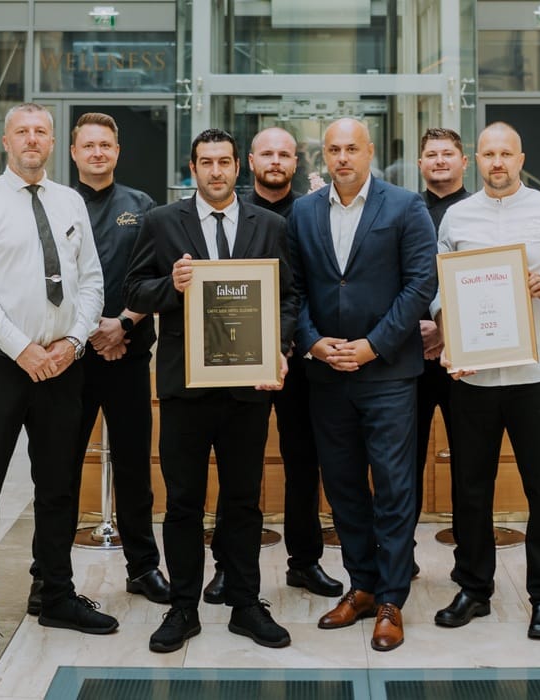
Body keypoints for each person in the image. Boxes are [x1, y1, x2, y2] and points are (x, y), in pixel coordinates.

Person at [0, 102, 117, 657]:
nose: (31, 140)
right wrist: (24, 350)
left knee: (59, 487)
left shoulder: (68, 201)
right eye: (22, 132)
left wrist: (71, 343)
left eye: (40, 132)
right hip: (2, 366)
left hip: (62, 366)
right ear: (6, 142)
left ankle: (56, 595)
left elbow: (90, 281)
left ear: (52, 143)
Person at [431, 122, 540, 640]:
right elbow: (441, 291)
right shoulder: (458, 217)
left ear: (521, 157)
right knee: (470, 490)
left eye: (506, 153)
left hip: (535, 377)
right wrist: (450, 336)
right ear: (475, 160)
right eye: (488, 154)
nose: (497, 162)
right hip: (473, 381)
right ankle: (473, 589)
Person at [124, 128, 298, 653]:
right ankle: (182, 607)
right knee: (182, 503)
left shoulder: (268, 224)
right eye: (206, 162)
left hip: (248, 384)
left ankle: (246, 604)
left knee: (244, 501)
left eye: (225, 162)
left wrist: (281, 348)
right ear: (193, 168)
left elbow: (289, 298)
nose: (217, 171)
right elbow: (133, 290)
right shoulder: (160, 222)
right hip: (185, 388)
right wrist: (169, 287)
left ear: (237, 168)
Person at [287, 117, 437, 651]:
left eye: (352, 147)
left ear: (370, 151)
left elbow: (421, 283)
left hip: (388, 372)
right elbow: (294, 288)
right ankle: (362, 585)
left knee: (394, 488)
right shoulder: (304, 211)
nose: (343, 157)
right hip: (327, 373)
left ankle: (393, 597)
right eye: (333, 149)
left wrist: (375, 344)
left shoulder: (404, 206)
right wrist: (312, 342)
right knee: (344, 485)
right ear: (322, 156)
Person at [26, 112, 169, 617]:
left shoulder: (141, 207)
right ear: (72, 151)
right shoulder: (53, 203)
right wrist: (89, 334)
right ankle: (48, 577)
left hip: (128, 353)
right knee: (58, 469)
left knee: (134, 466)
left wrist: (122, 326)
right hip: (68, 359)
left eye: (106, 145)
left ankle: (143, 567)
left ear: (117, 150)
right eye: (88, 145)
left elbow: (157, 277)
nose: (97, 153)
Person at [203, 126, 342, 605]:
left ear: (296, 160)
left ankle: (304, 562)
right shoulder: (231, 211)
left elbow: (308, 287)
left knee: (304, 463)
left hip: (299, 358)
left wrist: (288, 344)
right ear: (249, 161)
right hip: (240, 359)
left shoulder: (313, 210)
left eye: (285, 154)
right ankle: (228, 567)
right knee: (240, 469)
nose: (276, 161)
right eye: (267, 153)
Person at [413, 127, 472, 578]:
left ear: (463, 161)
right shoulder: (403, 209)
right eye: (431, 154)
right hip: (408, 353)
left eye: (447, 154)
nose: (439, 161)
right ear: (420, 164)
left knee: (469, 462)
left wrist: (448, 331)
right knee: (402, 464)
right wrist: (421, 327)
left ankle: (469, 562)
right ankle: (400, 558)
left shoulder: (479, 212)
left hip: (464, 358)